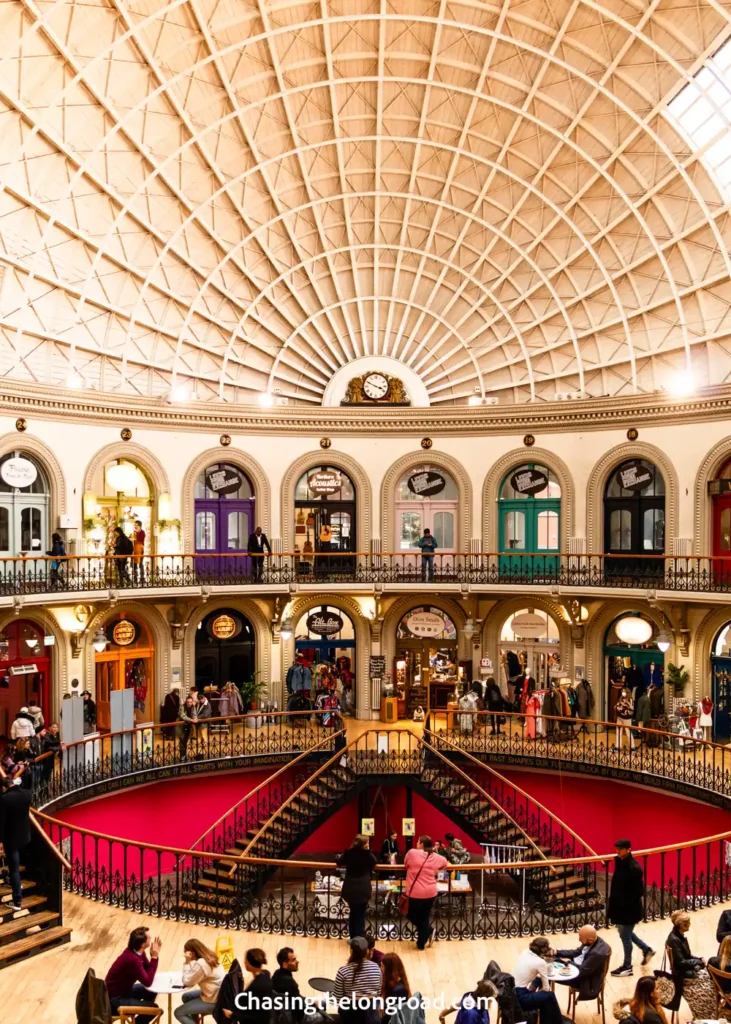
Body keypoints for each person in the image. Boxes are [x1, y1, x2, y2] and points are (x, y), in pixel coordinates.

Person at [608, 838, 654, 976]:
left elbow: (638, 892)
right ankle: (646, 949)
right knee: (624, 933)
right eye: (616, 849)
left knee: (625, 936)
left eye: (619, 849)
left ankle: (627, 966)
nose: (617, 852)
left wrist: (623, 904)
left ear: (628, 849)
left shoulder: (634, 869)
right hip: (622, 908)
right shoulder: (622, 863)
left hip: (629, 909)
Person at [665, 911, 716, 1020]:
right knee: (710, 987)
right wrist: (699, 962)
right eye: (686, 924)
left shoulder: (678, 936)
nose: (689, 925)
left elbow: (686, 956)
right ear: (679, 925)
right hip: (682, 975)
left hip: (685, 970)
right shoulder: (674, 939)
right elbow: (682, 963)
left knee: (710, 977)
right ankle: (706, 1015)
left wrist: (698, 959)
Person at [403, 834, 448, 950]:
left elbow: (405, 864)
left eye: (418, 842)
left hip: (415, 892)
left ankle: (428, 931)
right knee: (424, 917)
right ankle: (421, 943)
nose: (416, 843)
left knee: (410, 914)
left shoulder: (412, 853)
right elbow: (444, 863)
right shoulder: (435, 856)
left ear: (421, 844)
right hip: (431, 892)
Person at [105, 926, 161, 1013]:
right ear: (143, 944)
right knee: (154, 1009)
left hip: (125, 991)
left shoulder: (136, 952)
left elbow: (148, 972)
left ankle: (143, 1013)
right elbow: (148, 981)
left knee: (153, 990)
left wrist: (153, 957)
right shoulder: (132, 959)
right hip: (116, 999)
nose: (151, 939)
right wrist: (154, 957)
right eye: (149, 938)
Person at [332, 936, 383, 1024]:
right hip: (372, 1018)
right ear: (367, 951)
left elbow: (337, 999)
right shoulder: (376, 968)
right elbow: (378, 994)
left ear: (351, 951)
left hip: (350, 1018)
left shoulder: (343, 971)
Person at [0, 774, 33, 911]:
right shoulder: (27, 794)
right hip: (24, 836)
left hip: (11, 839)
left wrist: (0, 841)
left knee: (14, 870)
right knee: (15, 868)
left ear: (4, 787)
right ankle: (16, 884)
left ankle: (17, 901)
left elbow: (1, 823)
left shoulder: (5, 799)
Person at [174, 938, 225, 1024]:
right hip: (218, 994)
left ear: (192, 953)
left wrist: (187, 962)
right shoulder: (210, 956)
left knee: (178, 1013)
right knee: (186, 997)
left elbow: (187, 981)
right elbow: (194, 973)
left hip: (212, 1000)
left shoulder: (202, 964)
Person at [336, 834, 378, 939]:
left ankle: (353, 936)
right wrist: (368, 850)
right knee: (360, 914)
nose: (368, 845)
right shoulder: (367, 854)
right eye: (367, 843)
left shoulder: (349, 853)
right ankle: (359, 939)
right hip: (363, 888)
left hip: (350, 888)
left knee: (353, 913)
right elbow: (375, 862)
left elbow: (339, 861)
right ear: (363, 845)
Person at [512, 937, 562, 1024]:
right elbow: (546, 988)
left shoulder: (525, 952)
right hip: (520, 997)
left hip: (511, 992)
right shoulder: (540, 962)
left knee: (545, 999)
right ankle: (558, 1022)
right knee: (549, 996)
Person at [555, 925, 611, 1001]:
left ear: (591, 940)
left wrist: (567, 962)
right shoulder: (591, 940)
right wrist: (557, 952)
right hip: (581, 968)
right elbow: (576, 952)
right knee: (550, 962)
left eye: (581, 937)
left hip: (586, 981)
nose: (579, 939)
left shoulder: (596, 954)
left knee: (550, 974)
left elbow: (581, 971)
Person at [229, 948, 273, 1024]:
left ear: (249, 964)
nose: (244, 962)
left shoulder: (256, 987)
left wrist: (232, 1015)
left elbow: (254, 1017)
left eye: (245, 960)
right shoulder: (266, 974)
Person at [272, 947, 306, 1024]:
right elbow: (300, 1007)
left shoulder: (276, 974)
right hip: (294, 1017)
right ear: (285, 964)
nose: (297, 962)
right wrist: (313, 1005)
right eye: (293, 960)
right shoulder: (291, 984)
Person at [381, 953, 415, 1022]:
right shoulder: (394, 983)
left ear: (389, 969)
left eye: (382, 966)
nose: (380, 969)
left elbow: (394, 1016)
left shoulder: (399, 990)